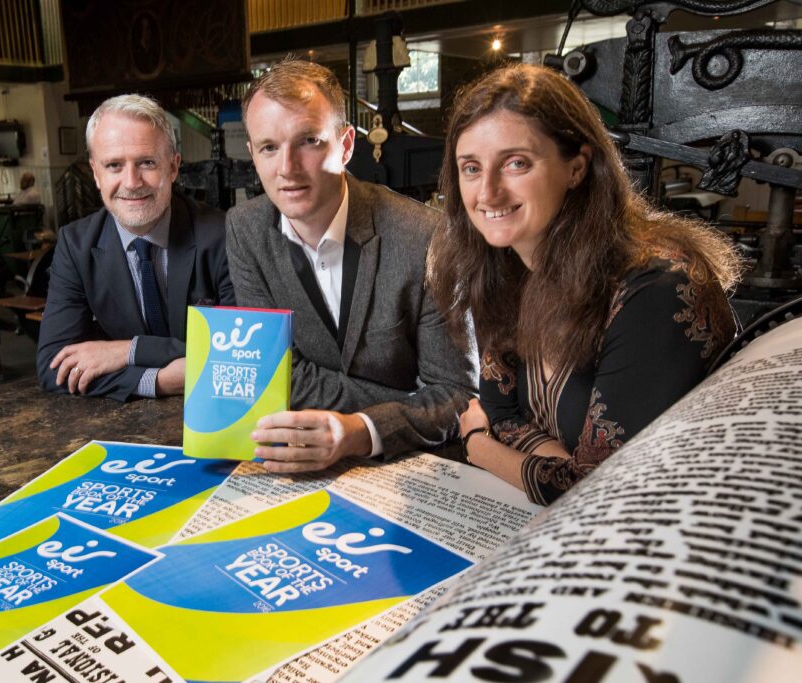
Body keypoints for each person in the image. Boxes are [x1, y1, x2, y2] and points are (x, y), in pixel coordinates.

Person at [430, 63, 739, 505]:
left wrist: (479, 446)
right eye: (471, 168)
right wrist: (552, 463)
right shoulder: (503, 267)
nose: (488, 193)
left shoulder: (657, 286)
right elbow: (501, 410)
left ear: (576, 167)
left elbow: (595, 490)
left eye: (516, 163)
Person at [226, 59, 477, 474]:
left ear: (345, 145)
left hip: (413, 467)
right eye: (269, 147)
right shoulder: (245, 229)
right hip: (302, 459)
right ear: (252, 154)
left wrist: (360, 430)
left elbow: (456, 394)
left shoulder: (427, 237)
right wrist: (404, 401)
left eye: (308, 141)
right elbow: (274, 373)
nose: (286, 168)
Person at [37, 94, 235, 402]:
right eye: (114, 165)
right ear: (95, 173)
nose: (131, 182)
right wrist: (159, 380)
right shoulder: (75, 245)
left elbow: (245, 356)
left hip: (221, 412)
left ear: (173, 167)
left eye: (146, 163)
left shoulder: (223, 235)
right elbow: (55, 366)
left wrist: (127, 350)